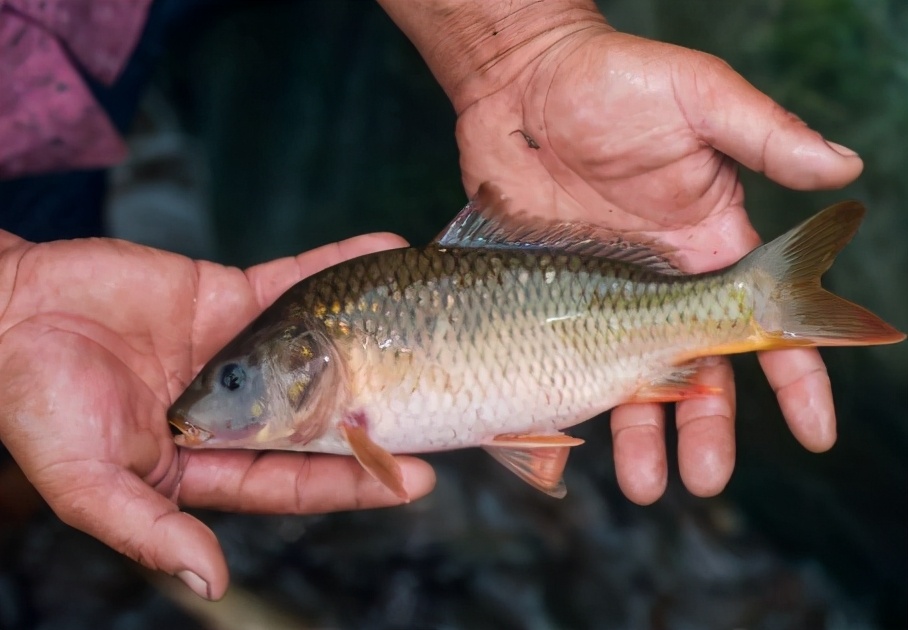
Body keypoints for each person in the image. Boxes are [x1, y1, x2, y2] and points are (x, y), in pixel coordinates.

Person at [0, 0, 863, 600]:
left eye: (233, 378)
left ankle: (140, 139)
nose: (213, 396)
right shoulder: (335, 386)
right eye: (233, 381)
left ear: (305, 357)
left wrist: (521, 48)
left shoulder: (349, 405)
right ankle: (146, 149)